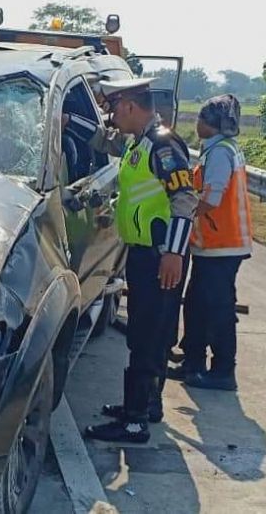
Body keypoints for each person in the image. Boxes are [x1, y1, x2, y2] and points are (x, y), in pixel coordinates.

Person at [84, 78, 198, 444]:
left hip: (160, 257)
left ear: (131, 106)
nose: (113, 116)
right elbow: (102, 141)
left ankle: (134, 422)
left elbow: (184, 199)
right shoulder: (139, 143)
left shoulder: (162, 145)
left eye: (116, 109)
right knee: (149, 333)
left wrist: (173, 253)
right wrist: (89, 119)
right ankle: (147, 405)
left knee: (147, 337)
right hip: (145, 254)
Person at [178, 94, 252, 391]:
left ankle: (223, 370)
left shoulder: (220, 152)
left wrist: (184, 212)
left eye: (200, 119)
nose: (196, 124)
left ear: (210, 124)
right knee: (197, 304)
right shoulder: (219, 149)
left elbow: (211, 198)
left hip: (222, 244)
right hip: (214, 244)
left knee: (217, 309)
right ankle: (192, 361)